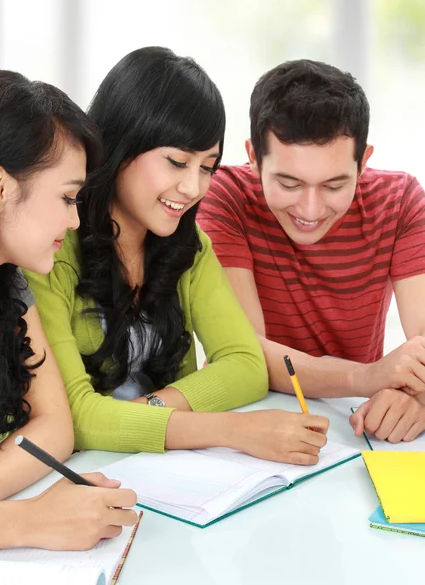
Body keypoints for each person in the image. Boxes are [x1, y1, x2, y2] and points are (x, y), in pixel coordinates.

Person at [25, 47, 329, 469]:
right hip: (73, 479)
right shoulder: (49, 246)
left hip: (165, 472)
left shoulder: (189, 244)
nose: (193, 188)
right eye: (177, 162)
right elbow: (73, 418)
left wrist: (148, 411)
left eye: (208, 167)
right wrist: (233, 430)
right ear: (123, 143)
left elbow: (246, 365)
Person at [0, 70, 137, 556]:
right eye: (68, 197)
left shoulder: (7, 280)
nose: (75, 220)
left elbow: (55, 425)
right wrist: (27, 521)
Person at [197, 59, 425, 444]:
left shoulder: (399, 201)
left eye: (334, 186)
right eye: (288, 183)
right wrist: (368, 377)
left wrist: (416, 395)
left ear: (363, 161)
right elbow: (244, 353)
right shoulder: (226, 196)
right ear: (253, 157)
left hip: (357, 420)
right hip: (249, 417)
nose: (310, 210)